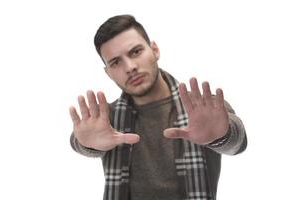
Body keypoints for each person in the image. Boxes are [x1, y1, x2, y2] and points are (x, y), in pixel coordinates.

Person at [69, 14, 247, 200]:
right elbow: (81, 139)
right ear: (108, 73)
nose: (129, 67)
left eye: (135, 52)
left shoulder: (201, 109)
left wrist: (222, 136)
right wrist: (86, 145)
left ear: (154, 50)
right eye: (115, 62)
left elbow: (238, 141)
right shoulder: (108, 119)